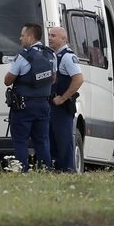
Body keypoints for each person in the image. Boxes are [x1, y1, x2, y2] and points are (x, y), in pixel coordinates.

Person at [4, 23, 56, 172]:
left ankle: (22, 170)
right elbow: (53, 78)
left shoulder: (23, 56)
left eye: (23, 35)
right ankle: (45, 169)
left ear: (31, 37)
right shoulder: (50, 54)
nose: (20, 38)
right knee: (42, 140)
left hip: (23, 106)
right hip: (43, 105)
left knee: (20, 141)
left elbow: (8, 80)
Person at [48, 27, 84, 172]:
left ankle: (67, 170)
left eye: (54, 36)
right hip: (53, 106)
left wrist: (63, 98)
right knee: (54, 139)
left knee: (63, 140)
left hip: (62, 107)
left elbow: (78, 79)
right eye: (49, 35)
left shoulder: (68, 57)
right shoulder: (56, 56)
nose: (50, 38)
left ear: (64, 39)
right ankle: (58, 169)